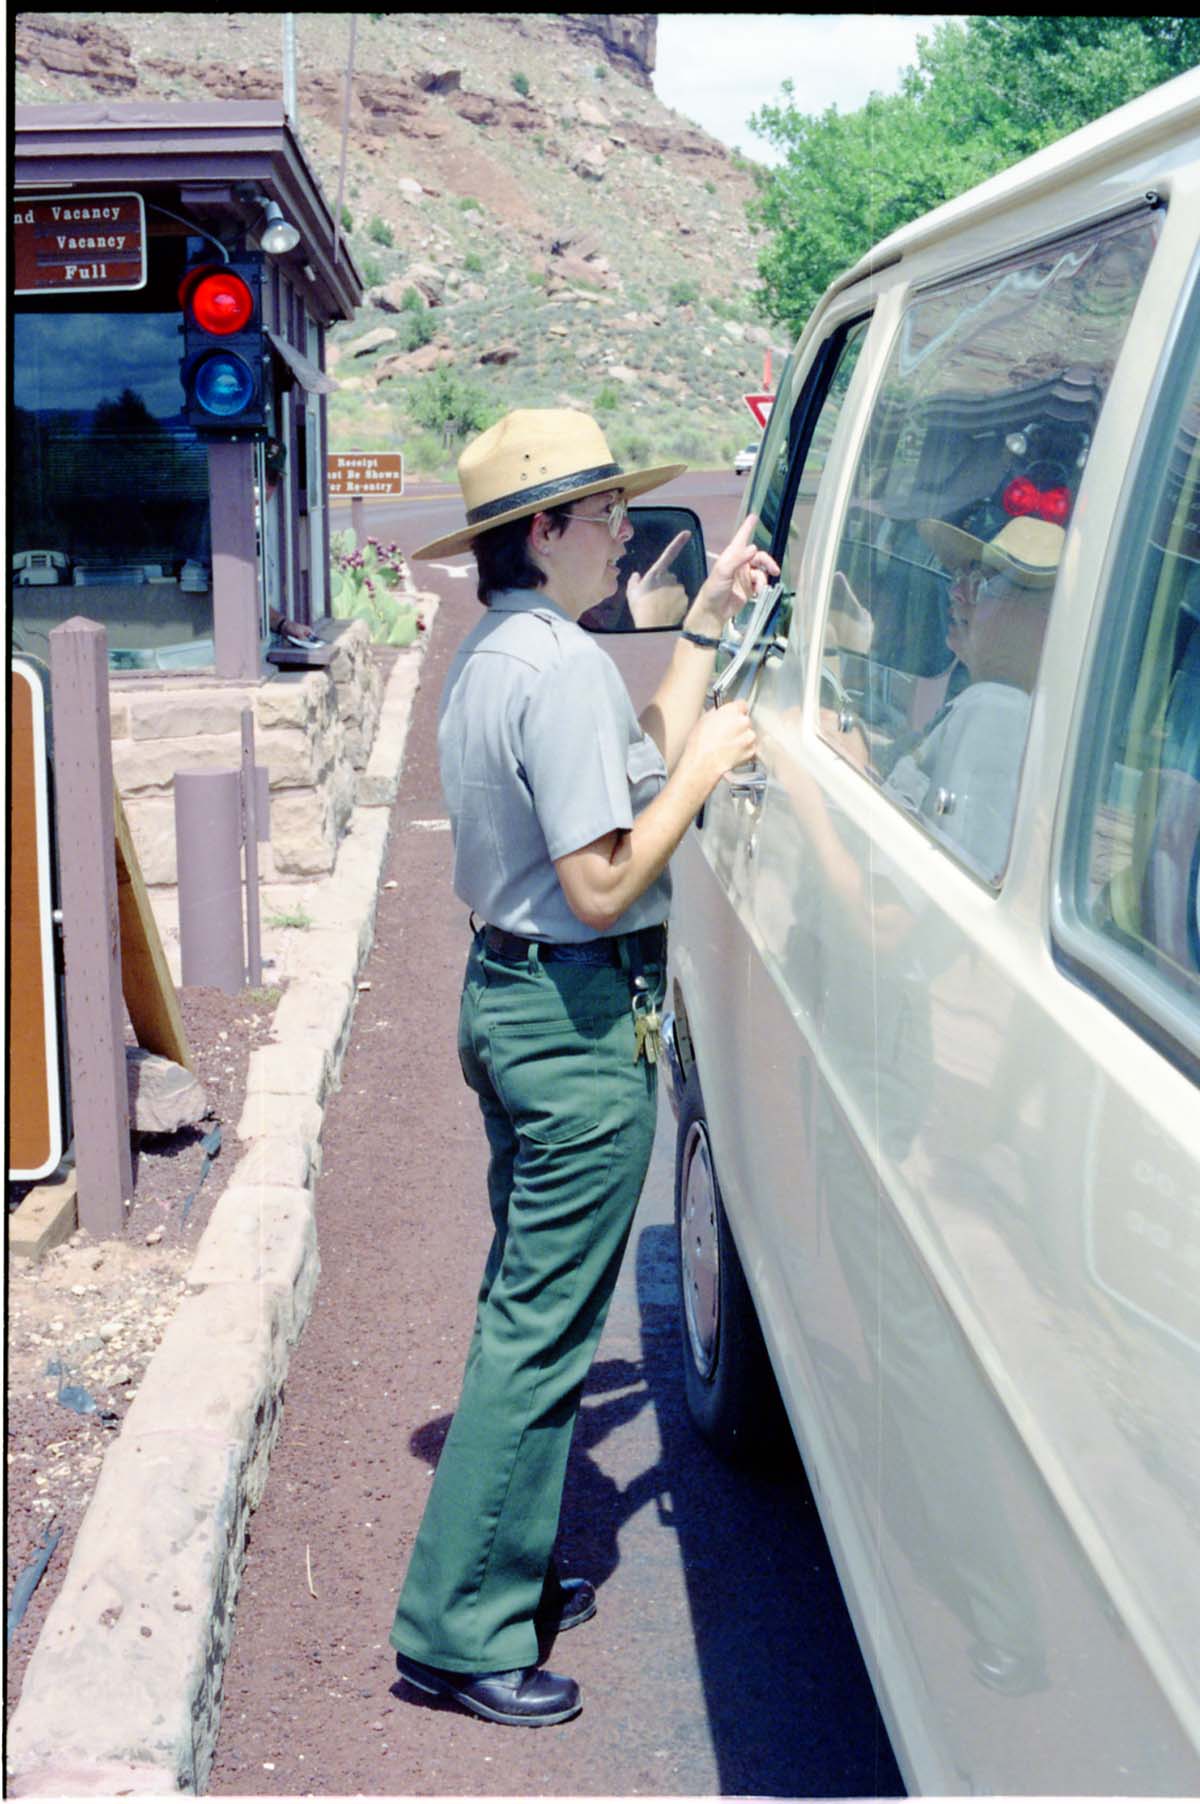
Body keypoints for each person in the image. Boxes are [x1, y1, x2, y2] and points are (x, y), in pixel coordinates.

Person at [388, 408, 778, 1728]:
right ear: (542, 530)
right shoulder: (554, 668)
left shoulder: (510, 650)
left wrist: (706, 629)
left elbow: (628, 771)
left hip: (511, 999)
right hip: (570, 1019)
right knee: (539, 1333)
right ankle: (459, 1629)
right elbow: (606, 877)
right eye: (605, 511)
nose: (626, 529)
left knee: (527, 1307)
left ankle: (501, 1568)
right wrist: (719, 760)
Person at [878, 514, 1064, 879]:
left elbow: (900, 914)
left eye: (980, 584)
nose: (956, 593)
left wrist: (805, 793)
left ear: (1042, 621)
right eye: (958, 578)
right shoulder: (997, 708)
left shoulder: (997, 710)